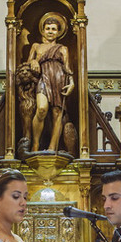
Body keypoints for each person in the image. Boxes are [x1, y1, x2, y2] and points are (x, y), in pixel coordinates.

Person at [25, 12, 75, 152]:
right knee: (41, 109)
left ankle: (52, 147)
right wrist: (33, 61)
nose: (50, 31)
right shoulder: (36, 46)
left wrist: (71, 83)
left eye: (53, 29)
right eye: (48, 28)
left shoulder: (63, 49)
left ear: (58, 32)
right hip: (43, 77)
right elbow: (27, 64)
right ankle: (35, 145)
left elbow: (67, 68)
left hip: (59, 78)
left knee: (57, 113)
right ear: (43, 30)